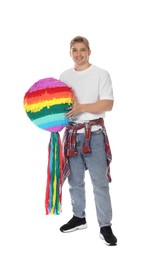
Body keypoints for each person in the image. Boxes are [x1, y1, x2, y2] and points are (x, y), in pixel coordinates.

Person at [59, 36, 117, 246]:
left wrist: (81, 107)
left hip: (94, 134)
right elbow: (60, 106)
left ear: (89, 51)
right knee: (74, 181)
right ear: (70, 53)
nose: (79, 54)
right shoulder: (64, 76)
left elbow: (108, 104)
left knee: (100, 182)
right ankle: (79, 217)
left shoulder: (101, 74)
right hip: (72, 134)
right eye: (75, 50)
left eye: (83, 50)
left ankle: (105, 226)